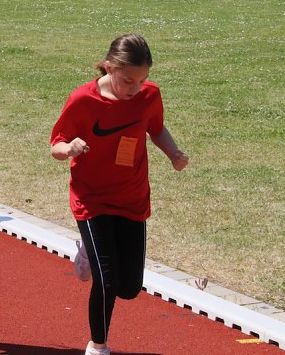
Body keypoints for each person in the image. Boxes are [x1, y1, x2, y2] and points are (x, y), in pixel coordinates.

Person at [49, 34, 189, 355]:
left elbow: (156, 128)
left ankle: (88, 253)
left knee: (129, 288)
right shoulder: (82, 100)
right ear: (110, 67)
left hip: (132, 196)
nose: (135, 88)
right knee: (107, 281)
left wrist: (173, 153)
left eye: (141, 80)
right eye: (128, 81)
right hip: (92, 198)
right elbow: (56, 145)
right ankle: (97, 345)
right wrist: (69, 148)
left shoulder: (149, 95)